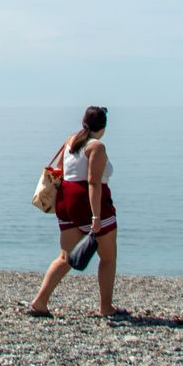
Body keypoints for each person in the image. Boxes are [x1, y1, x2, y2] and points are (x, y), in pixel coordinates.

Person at [26, 106, 121, 318]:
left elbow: (60, 168)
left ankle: (40, 302)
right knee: (108, 257)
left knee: (64, 256)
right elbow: (93, 182)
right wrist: (96, 217)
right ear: (103, 127)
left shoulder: (71, 139)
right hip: (89, 202)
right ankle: (106, 307)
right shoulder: (97, 146)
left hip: (66, 201)